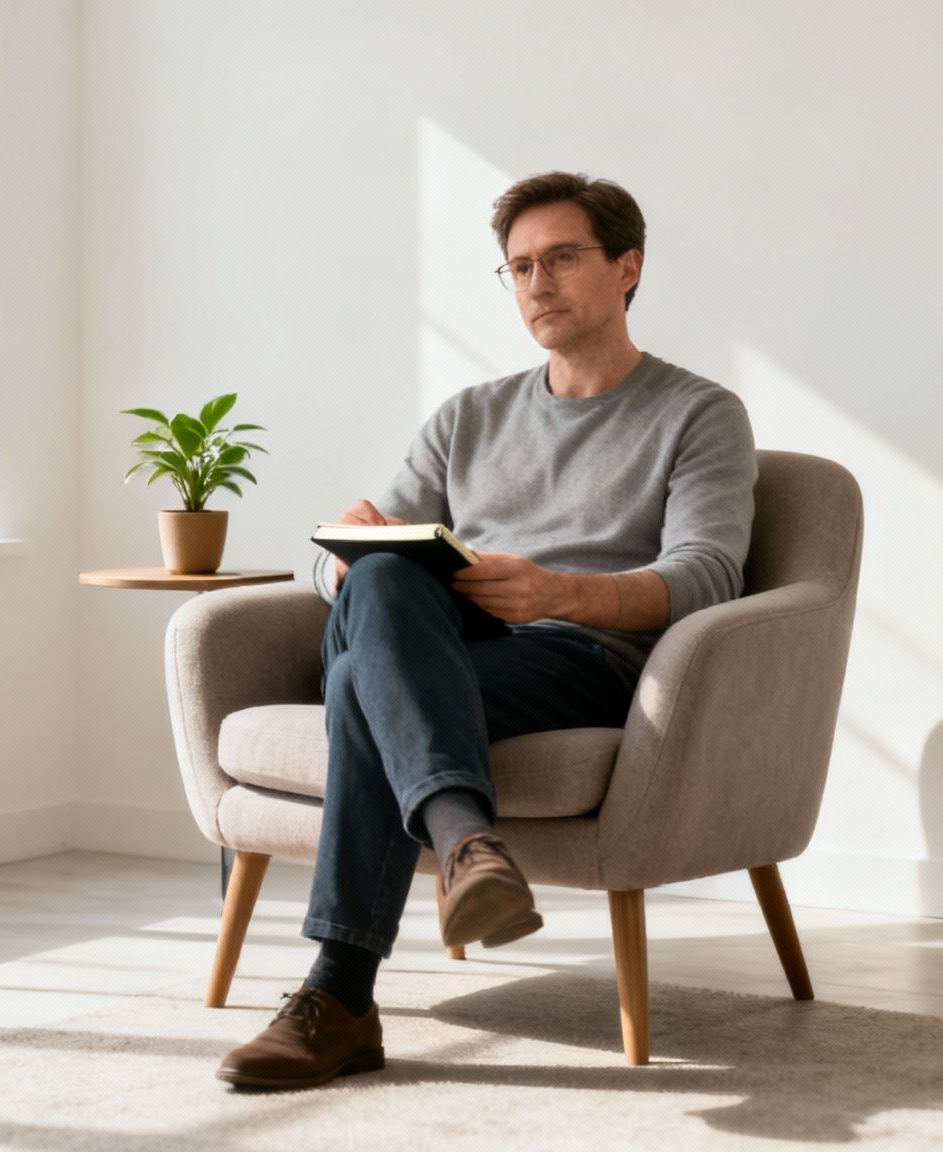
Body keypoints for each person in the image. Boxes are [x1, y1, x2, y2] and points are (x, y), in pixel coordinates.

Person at [216, 172, 757, 1089]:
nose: (537, 283)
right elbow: (347, 570)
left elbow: (708, 577)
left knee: (359, 689)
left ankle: (341, 992)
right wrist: (341, 555)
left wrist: (559, 594)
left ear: (628, 268)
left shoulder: (698, 414)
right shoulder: (468, 415)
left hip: (580, 656)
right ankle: (468, 842)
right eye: (518, 268)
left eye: (561, 259)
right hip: (447, 647)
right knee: (382, 574)